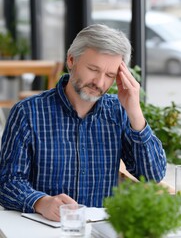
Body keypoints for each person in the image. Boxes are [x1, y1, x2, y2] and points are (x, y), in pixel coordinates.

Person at [0, 24, 166, 222]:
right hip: (45, 230)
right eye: (93, 69)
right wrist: (41, 202)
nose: (100, 82)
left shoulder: (119, 112)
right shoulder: (27, 112)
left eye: (110, 75)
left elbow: (153, 176)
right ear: (71, 60)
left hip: (99, 231)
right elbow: (7, 181)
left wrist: (134, 111)